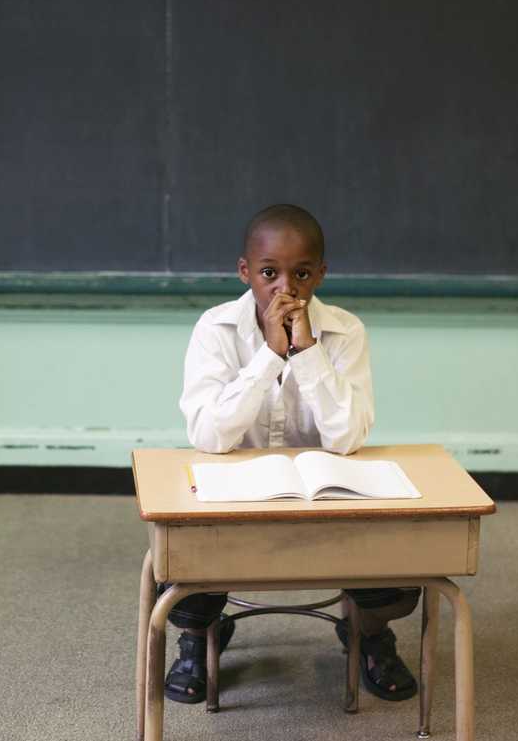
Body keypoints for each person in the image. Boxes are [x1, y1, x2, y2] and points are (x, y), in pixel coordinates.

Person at [167, 203, 420, 704]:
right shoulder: (214, 330)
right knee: (183, 560)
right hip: (236, 502)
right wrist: (269, 357)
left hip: (325, 500)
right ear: (245, 272)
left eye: (302, 274)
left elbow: (347, 437)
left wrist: (307, 353)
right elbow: (211, 435)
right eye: (268, 273)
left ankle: (369, 632)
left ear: (321, 274)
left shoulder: (345, 332)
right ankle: (198, 636)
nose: (286, 289)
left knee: (396, 566)